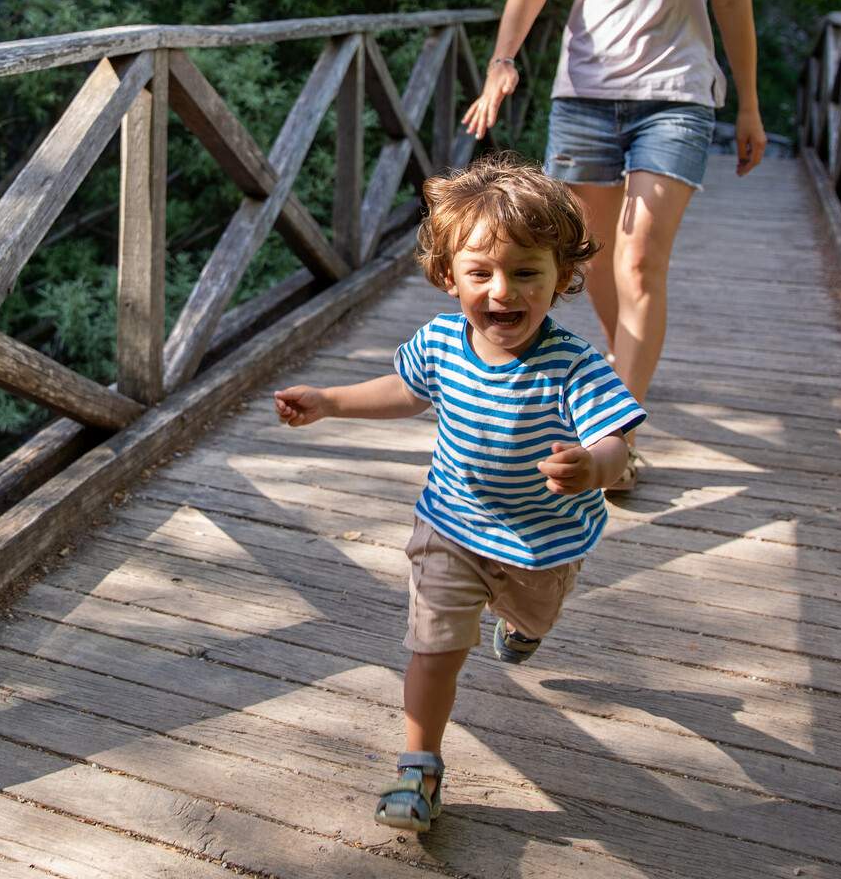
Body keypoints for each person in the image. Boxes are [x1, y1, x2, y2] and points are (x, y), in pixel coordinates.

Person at [272, 154, 644, 833]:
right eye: (481, 274)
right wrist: (330, 400)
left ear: (562, 276)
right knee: (433, 648)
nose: (503, 292)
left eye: (527, 272)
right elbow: (406, 392)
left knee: (532, 621)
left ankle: (520, 628)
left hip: (543, 542)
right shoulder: (443, 341)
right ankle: (419, 767)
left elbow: (617, 438)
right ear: (449, 278)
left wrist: (594, 467)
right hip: (451, 526)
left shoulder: (573, 364)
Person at [461, 0, 764, 491]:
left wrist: (750, 102)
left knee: (639, 260)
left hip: (678, 96)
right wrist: (503, 63)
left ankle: (616, 442)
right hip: (585, 96)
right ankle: (623, 355)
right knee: (586, 259)